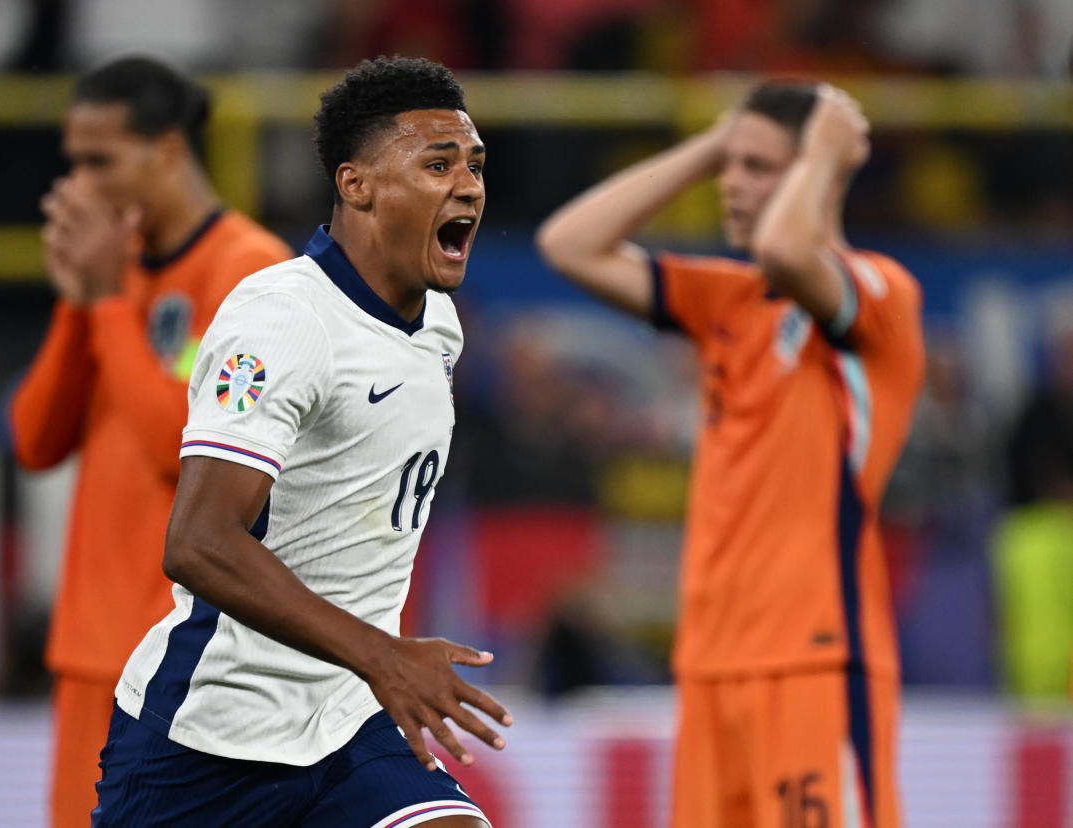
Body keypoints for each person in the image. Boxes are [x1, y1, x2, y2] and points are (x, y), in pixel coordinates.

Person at [93, 56, 508, 828]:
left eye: (475, 165)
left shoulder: (439, 326)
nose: (470, 186)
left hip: (349, 726)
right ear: (357, 186)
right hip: (210, 743)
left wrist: (375, 667)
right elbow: (198, 543)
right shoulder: (282, 321)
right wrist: (386, 657)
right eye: (438, 163)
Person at [537, 81, 925, 828]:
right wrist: (713, 144)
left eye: (758, 168)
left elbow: (788, 249)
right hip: (711, 665)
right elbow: (568, 244)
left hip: (814, 659)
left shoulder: (880, 294)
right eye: (732, 168)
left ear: (821, 173)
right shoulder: (729, 303)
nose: (733, 187)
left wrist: (821, 152)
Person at [9, 55, 291, 828]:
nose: (80, 184)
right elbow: (35, 441)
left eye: (99, 160)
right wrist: (82, 301)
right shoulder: (116, 271)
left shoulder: (252, 273)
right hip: (89, 649)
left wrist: (104, 302)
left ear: (166, 149)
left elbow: (181, 446)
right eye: (72, 162)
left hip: (184, 657)